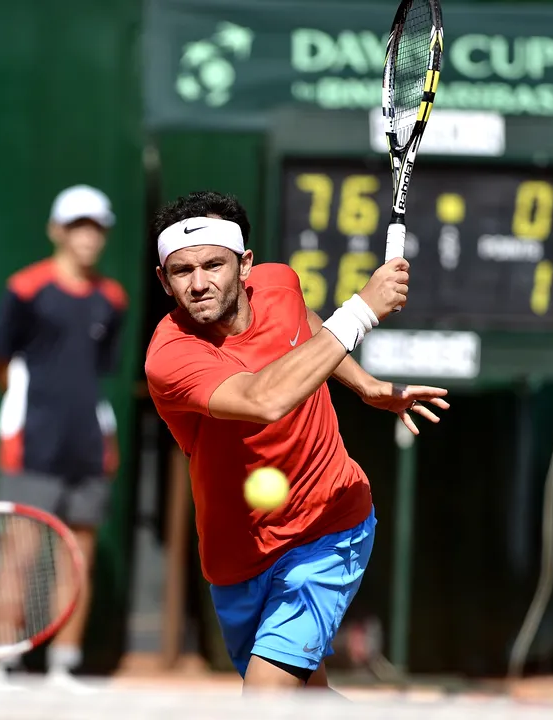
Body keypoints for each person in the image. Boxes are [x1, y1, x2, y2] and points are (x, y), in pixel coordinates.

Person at [143, 190, 450, 693]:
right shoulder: (170, 357)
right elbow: (265, 399)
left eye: (214, 265)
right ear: (163, 280)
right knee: (308, 699)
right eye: (182, 271)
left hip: (329, 525)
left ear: (245, 266)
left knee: (266, 700)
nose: (199, 284)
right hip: (237, 557)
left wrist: (365, 384)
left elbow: (301, 322)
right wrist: (361, 311)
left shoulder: (279, 282)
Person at [0, 184, 127, 689]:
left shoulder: (112, 299)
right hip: (32, 443)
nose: (88, 237)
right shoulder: (25, 289)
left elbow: (100, 370)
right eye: (78, 227)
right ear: (56, 232)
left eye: (97, 228)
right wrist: (28, 407)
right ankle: (3, 662)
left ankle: (64, 665)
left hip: (88, 444)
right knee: (19, 554)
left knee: (78, 556)